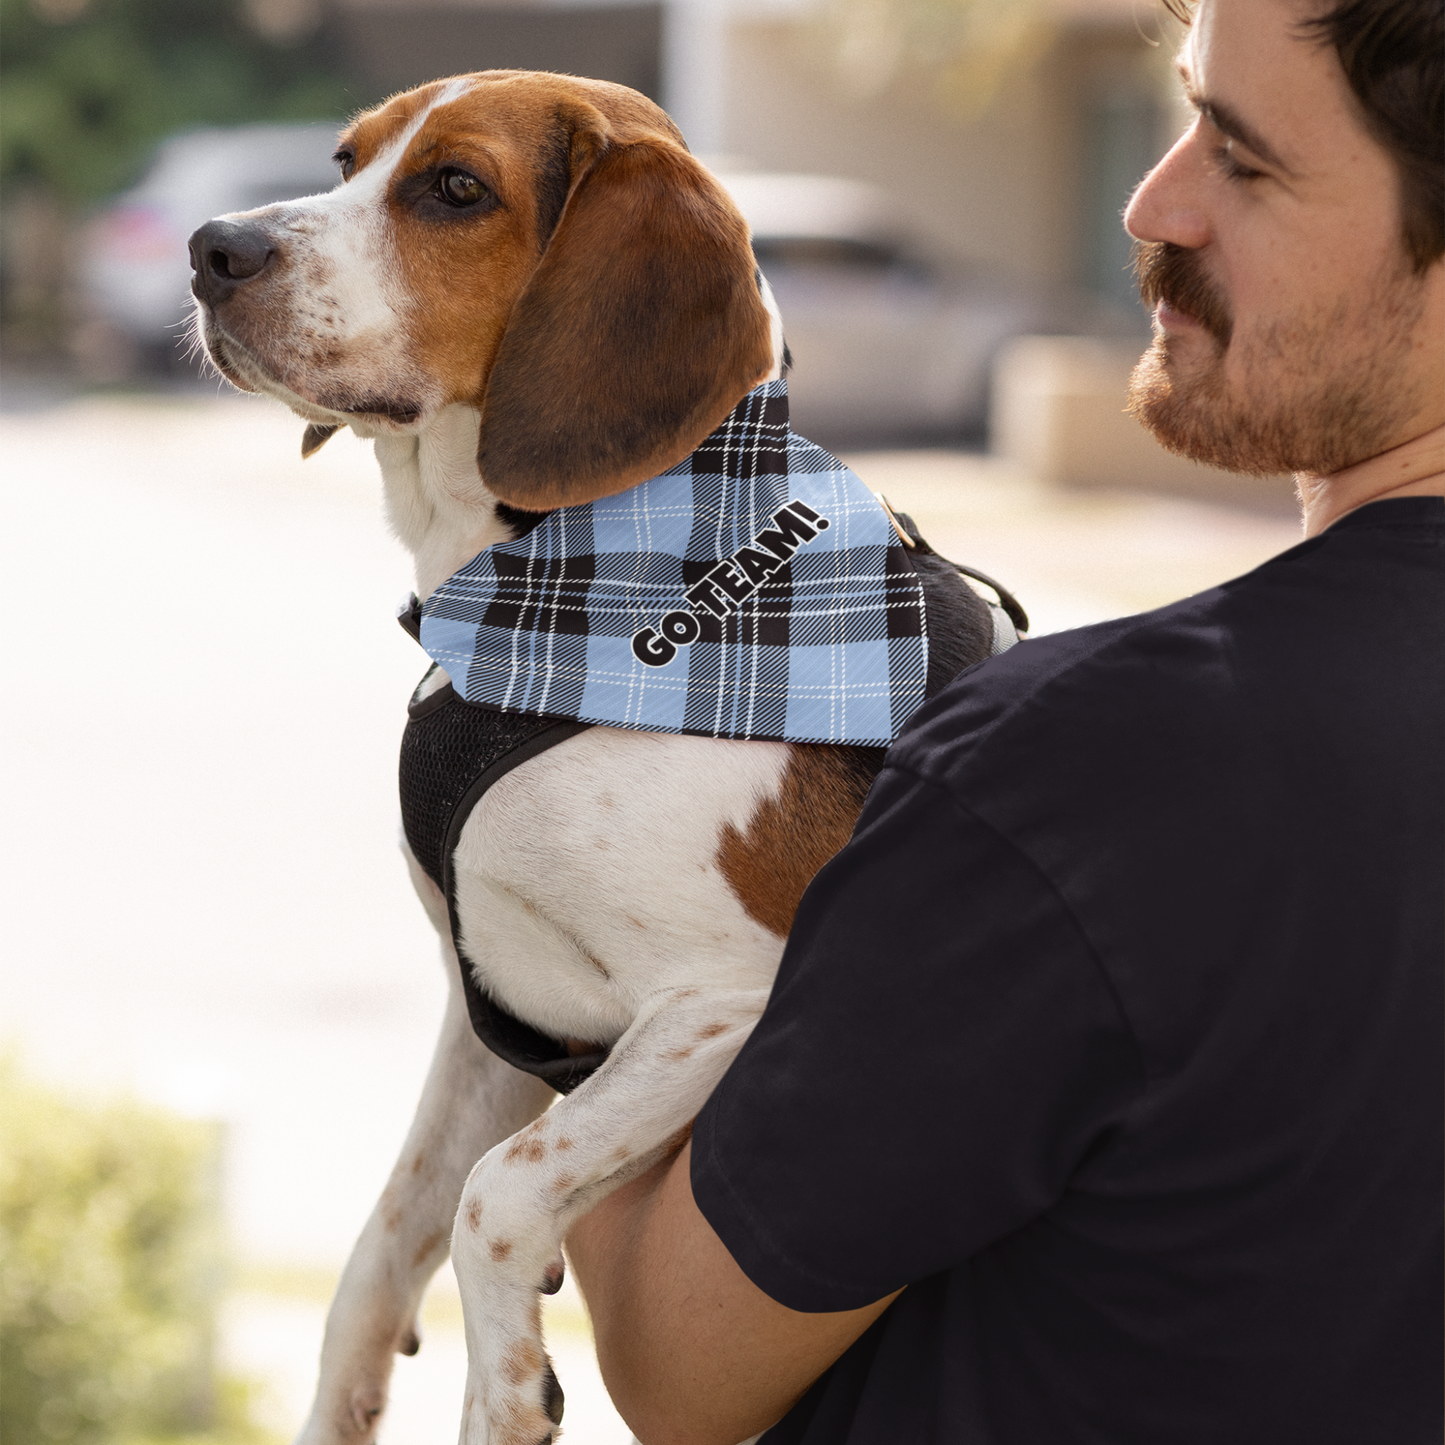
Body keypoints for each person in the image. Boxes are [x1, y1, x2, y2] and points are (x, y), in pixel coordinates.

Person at [565, 0, 1445, 1439]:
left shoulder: (1096, 769)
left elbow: (676, 1363)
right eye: (1185, 114)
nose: (1152, 203)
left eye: (1243, 156)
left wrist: (550, 901)